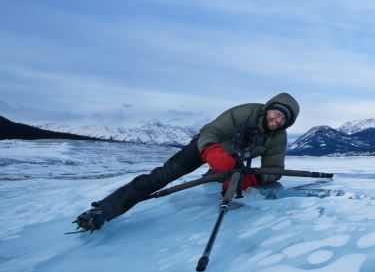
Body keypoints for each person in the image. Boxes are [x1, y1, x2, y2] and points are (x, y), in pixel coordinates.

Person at [74, 92, 300, 232]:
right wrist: (212, 153)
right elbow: (211, 131)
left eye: (283, 118)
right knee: (163, 176)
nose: (277, 120)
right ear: (268, 109)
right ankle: (104, 210)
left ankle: (215, 176)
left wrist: (252, 179)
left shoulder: (278, 137)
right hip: (205, 148)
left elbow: (275, 169)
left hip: (234, 162)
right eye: (276, 113)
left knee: (227, 182)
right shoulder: (244, 113)